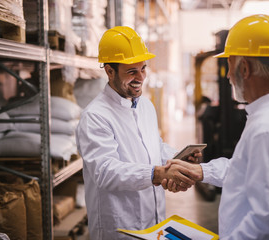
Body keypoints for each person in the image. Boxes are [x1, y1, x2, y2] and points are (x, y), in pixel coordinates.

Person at [162, 14, 269, 240]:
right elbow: (250, 171)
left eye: (229, 65)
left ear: (244, 68)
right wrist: (202, 171)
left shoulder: (267, 130)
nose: (228, 76)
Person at [75, 26, 201, 239]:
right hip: (120, 227)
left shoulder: (145, 106)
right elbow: (106, 171)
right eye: (131, 71)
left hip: (155, 223)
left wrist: (178, 157)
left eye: (143, 68)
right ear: (109, 71)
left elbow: (154, 147)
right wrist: (157, 174)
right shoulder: (95, 116)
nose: (140, 77)